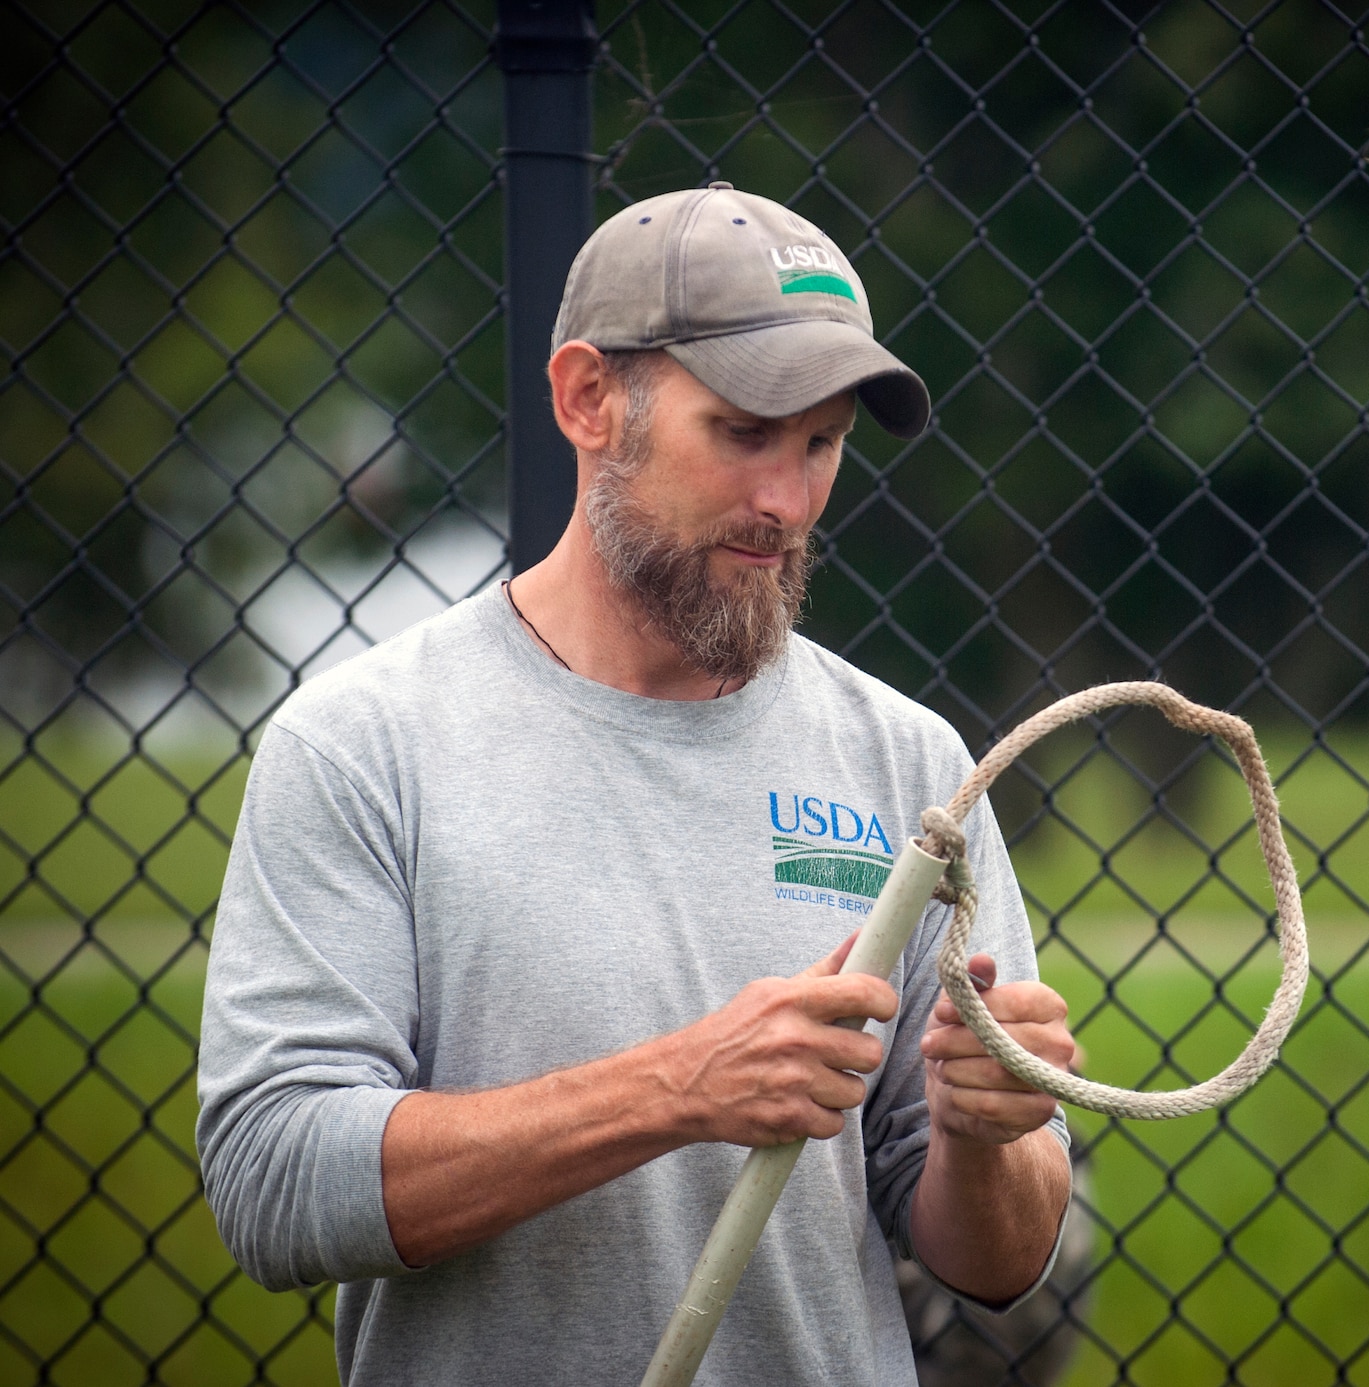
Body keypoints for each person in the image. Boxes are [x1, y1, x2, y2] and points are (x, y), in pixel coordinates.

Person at [196, 182, 1078, 1386]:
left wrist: (988, 1134)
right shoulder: (365, 745)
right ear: (587, 400)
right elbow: (275, 1182)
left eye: (820, 444)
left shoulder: (904, 759)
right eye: (744, 432)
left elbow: (997, 1261)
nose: (787, 501)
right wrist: (677, 1086)